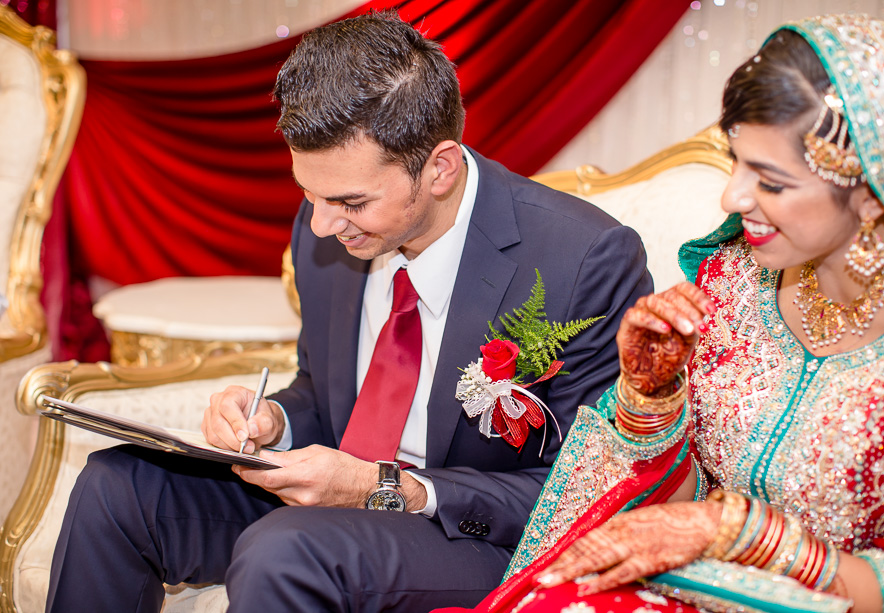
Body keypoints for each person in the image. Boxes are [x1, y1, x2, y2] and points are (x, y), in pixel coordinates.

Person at [44, 11, 652, 613]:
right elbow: (325, 392)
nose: (321, 225)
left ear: (438, 168)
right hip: (334, 507)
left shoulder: (581, 258)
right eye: (308, 194)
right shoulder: (327, 235)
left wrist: (384, 489)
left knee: (285, 549)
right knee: (116, 487)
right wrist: (274, 420)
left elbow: (588, 489)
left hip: (473, 534)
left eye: (350, 201)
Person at [435, 13, 884, 613]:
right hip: (683, 586)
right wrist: (651, 397)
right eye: (736, 161)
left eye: (770, 180)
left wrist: (737, 533)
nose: (732, 197)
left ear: (872, 192)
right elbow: (663, 504)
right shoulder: (732, 280)